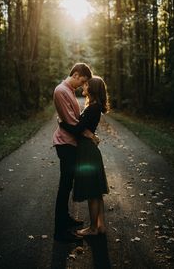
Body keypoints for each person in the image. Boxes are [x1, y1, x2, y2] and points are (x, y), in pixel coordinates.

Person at [59, 76, 109, 236]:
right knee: (96, 191)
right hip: (89, 149)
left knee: (92, 192)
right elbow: (83, 128)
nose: (83, 86)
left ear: (92, 89)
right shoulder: (94, 107)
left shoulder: (93, 108)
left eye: (86, 85)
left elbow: (77, 129)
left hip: (88, 151)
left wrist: (62, 122)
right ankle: (100, 226)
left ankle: (93, 228)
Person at [53, 62, 97, 242]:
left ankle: (66, 219)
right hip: (65, 144)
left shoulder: (69, 90)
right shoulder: (61, 91)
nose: (82, 85)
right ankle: (60, 232)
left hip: (71, 143)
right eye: (83, 80)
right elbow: (72, 124)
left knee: (68, 184)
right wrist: (89, 134)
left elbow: (74, 119)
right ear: (77, 74)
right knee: (64, 186)